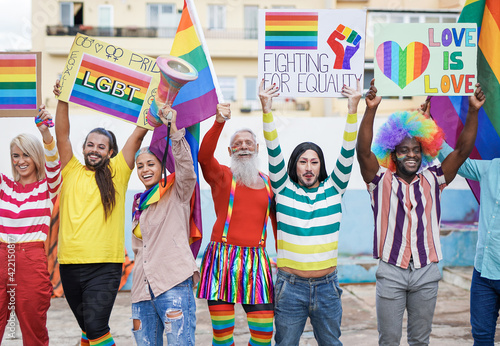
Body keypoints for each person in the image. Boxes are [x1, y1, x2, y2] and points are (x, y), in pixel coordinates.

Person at [356, 79, 485, 345]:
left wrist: (473, 111)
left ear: (424, 151)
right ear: (393, 154)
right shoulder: (379, 181)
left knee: (420, 341)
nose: (411, 155)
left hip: (427, 271)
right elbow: (363, 153)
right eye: (404, 150)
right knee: (389, 340)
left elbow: (461, 152)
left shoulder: (434, 179)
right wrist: (370, 110)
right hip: (391, 271)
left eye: (416, 150)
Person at [260, 79, 362, 346]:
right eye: (303, 162)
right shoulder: (283, 189)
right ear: (295, 165)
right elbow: (273, 149)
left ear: (321, 166)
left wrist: (353, 110)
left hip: (327, 287)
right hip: (289, 288)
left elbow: (347, 151)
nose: (308, 167)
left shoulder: (334, 188)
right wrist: (266, 110)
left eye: (314, 162)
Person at [53, 80, 148, 346]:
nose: (94, 150)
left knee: (96, 328)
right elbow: (62, 135)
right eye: (90, 145)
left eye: (101, 146)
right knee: (87, 328)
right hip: (70, 264)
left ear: (111, 152)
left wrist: (152, 105)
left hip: (104, 266)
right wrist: (63, 99)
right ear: (84, 148)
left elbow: (137, 136)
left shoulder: (118, 173)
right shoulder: (71, 170)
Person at [197, 103, 276, 346]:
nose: (243, 147)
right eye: (238, 144)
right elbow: (203, 156)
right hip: (221, 260)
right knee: (222, 336)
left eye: (248, 143)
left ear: (257, 148)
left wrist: (283, 257)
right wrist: (219, 121)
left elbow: (277, 226)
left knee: (263, 335)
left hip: (257, 262)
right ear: (231, 150)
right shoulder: (221, 176)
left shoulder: (269, 184)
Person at [130, 104, 199, 345]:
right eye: (140, 166)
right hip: (141, 288)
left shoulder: (176, 193)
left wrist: (174, 129)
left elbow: (186, 170)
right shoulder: (139, 202)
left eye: (151, 164)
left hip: (172, 283)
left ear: (161, 167)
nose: (145, 170)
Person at [435, 113, 498, 345]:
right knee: (481, 339)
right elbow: (460, 161)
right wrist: (430, 129)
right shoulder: (492, 168)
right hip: (483, 273)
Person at [0, 106, 61, 346]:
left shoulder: (48, 187)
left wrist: (45, 133)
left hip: (31, 259)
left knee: (33, 329)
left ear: (35, 157)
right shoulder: (4, 186)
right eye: (16, 156)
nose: (21, 161)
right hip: (2, 255)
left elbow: (54, 163)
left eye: (26, 155)